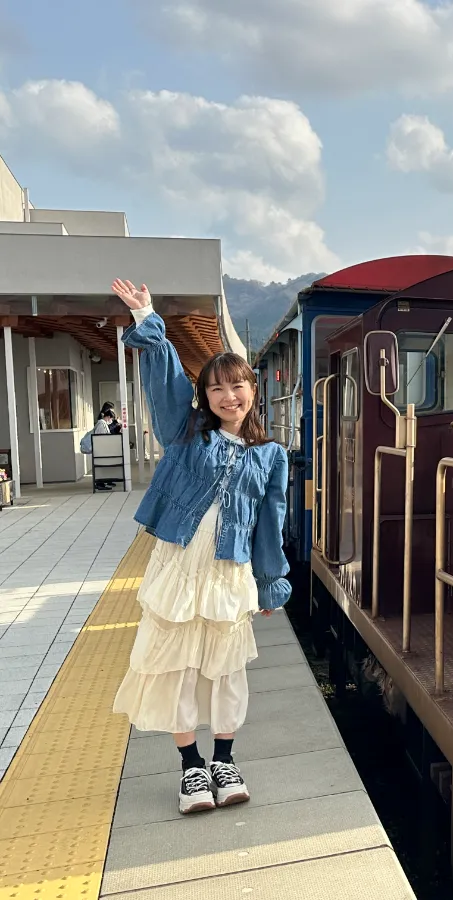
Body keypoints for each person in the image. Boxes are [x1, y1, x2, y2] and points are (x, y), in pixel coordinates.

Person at [108, 278, 290, 815]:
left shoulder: (271, 456)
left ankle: (224, 761)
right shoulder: (186, 431)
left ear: (253, 390)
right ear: (205, 398)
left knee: (226, 670)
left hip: (229, 576)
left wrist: (270, 581)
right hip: (179, 569)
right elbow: (165, 383)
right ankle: (191, 768)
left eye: (237, 386)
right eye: (216, 389)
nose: (228, 397)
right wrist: (147, 320)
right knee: (178, 669)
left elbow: (270, 523)